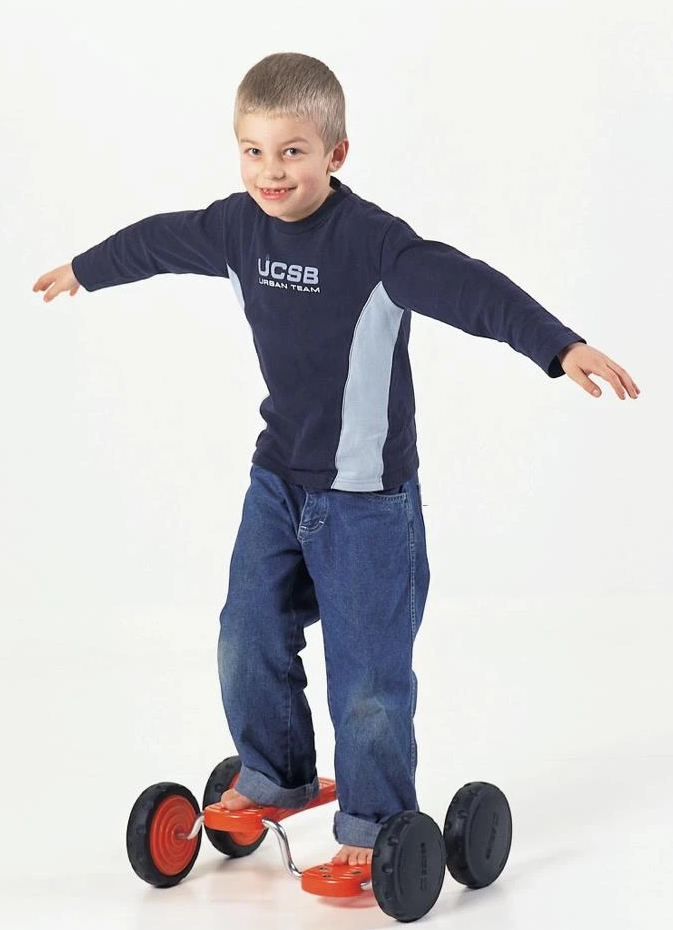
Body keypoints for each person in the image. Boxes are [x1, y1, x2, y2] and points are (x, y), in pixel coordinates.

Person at [32, 52, 640, 869]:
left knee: (366, 679)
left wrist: (557, 346)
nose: (270, 171)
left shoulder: (376, 245)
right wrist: (87, 269)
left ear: (335, 153)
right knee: (245, 634)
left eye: (292, 151)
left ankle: (375, 826)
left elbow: (473, 290)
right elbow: (160, 240)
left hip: (365, 501)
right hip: (276, 480)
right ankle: (274, 775)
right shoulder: (237, 227)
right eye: (253, 150)